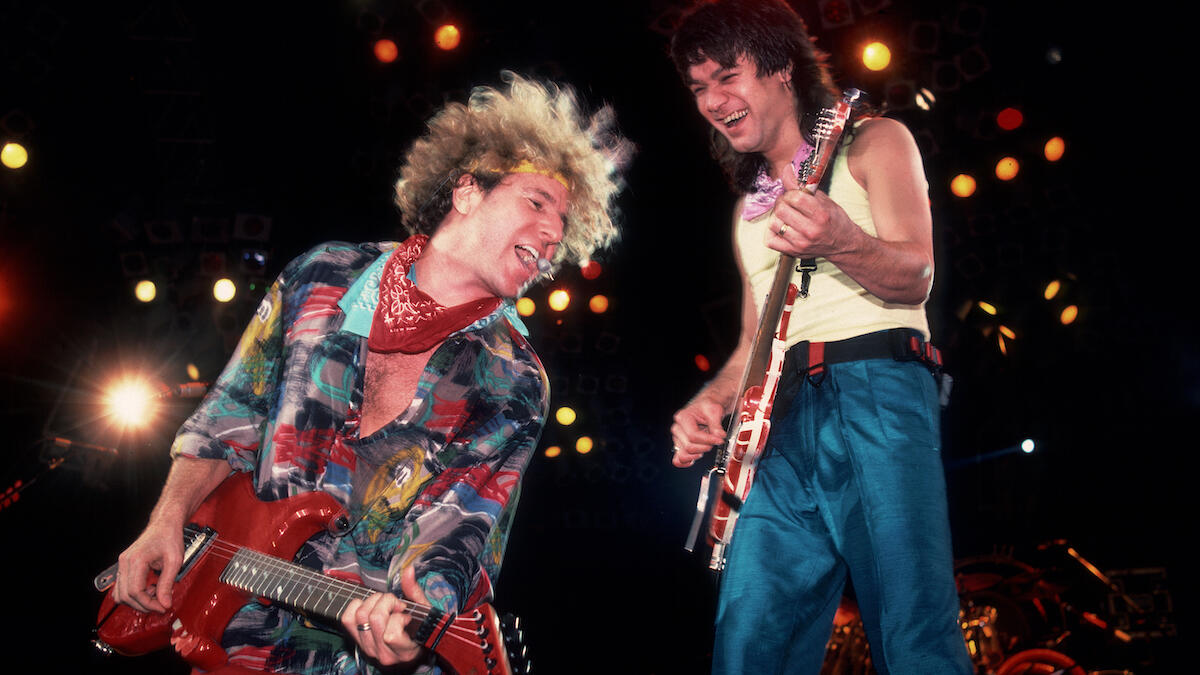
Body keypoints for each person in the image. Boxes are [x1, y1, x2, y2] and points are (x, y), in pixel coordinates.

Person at [112, 71, 631, 674]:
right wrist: (167, 520)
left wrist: (419, 622)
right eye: (538, 202)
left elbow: (457, 537)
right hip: (229, 640)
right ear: (468, 192)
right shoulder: (321, 276)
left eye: (563, 223)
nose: (553, 232)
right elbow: (228, 419)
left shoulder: (513, 382)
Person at [665, 1, 973, 674]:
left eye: (727, 76)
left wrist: (842, 240)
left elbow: (916, 275)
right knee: (749, 640)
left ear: (781, 67)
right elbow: (753, 341)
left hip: (876, 388)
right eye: (699, 88)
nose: (712, 100)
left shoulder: (875, 142)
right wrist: (713, 399)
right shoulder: (748, 211)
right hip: (779, 427)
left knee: (913, 629)